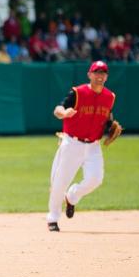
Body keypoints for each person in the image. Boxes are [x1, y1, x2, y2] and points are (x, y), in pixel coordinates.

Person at [46, 61, 117, 232]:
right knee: (60, 182)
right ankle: (53, 218)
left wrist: (111, 125)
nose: (100, 76)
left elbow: (107, 117)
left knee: (96, 179)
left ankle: (72, 197)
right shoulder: (77, 93)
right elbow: (57, 109)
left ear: (106, 76)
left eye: (103, 73)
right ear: (89, 75)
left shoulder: (110, 97)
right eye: (96, 72)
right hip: (72, 143)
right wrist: (63, 113)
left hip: (93, 145)